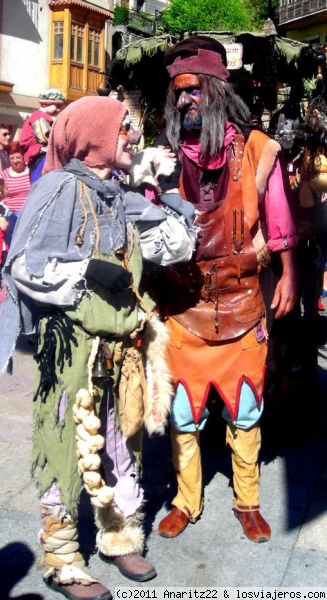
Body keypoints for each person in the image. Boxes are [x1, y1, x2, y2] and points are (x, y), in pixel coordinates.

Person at [0, 95, 196, 600]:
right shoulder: (57, 189)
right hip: (72, 346)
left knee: (123, 444)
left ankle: (120, 537)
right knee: (64, 446)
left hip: (122, 348)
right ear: (96, 136)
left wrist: (167, 192)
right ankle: (63, 559)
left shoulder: (117, 193)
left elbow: (178, 246)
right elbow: (21, 267)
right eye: (124, 128)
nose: (133, 138)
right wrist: (84, 269)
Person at [151, 36, 297, 544]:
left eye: (192, 90)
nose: (184, 101)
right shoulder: (163, 159)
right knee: (183, 418)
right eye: (177, 93)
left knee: (246, 414)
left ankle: (248, 501)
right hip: (183, 311)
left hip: (242, 310)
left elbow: (279, 223)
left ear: (215, 90)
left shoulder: (259, 151)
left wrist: (290, 274)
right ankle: (186, 501)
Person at [19, 87, 65, 182]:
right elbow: (43, 137)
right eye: (56, 106)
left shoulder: (45, 117)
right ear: (45, 104)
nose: (58, 110)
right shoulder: (39, 117)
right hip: (38, 151)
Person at [0, 141, 31, 247]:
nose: (15, 161)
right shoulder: (3, 175)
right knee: (11, 243)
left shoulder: (32, 172)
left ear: (23, 157)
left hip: (28, 214)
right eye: (12, 158)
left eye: (18, 157)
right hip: (10, 215)